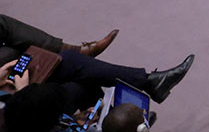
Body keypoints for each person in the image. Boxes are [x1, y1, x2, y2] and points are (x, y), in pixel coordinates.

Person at [0, 18, 191, 107]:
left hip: (9, 81)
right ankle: (141, 94)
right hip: (18, 104)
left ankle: (147, 85)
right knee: (81, 83)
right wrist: (23, 92)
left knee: (70, 62)